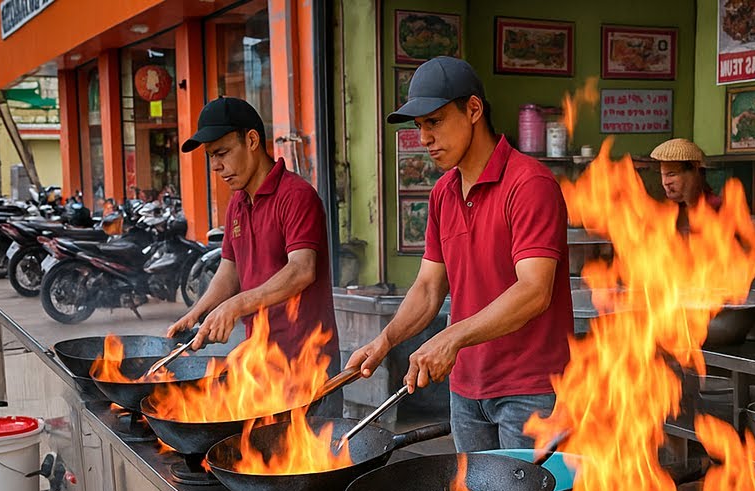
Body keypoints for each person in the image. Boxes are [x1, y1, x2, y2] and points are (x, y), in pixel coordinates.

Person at [346, 57, 572, 452]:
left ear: (473, 110)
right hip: (466, 389)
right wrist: (383, 342)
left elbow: (535, 290)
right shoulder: (442, 193)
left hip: (531, 390)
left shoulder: (530, 183)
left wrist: (451, 337)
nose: (424, 138)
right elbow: (429, 288)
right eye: (419, 127)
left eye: (434, 121)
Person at [167, 97, 339, 370]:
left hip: (306, 361)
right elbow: (229, 270)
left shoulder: (297, 196)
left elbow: (302, 269)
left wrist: (236, 305)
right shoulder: (237, 202)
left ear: (251, 140)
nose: (215, 166)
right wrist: (198, 312)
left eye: (222, 153)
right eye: (211, 156)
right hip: (258, 359)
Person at [650, 138, 721, 233]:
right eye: (663, 175)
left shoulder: (716, 207)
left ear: (694, 171)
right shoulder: (665, 211)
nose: (665, 182)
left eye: (671, 174)